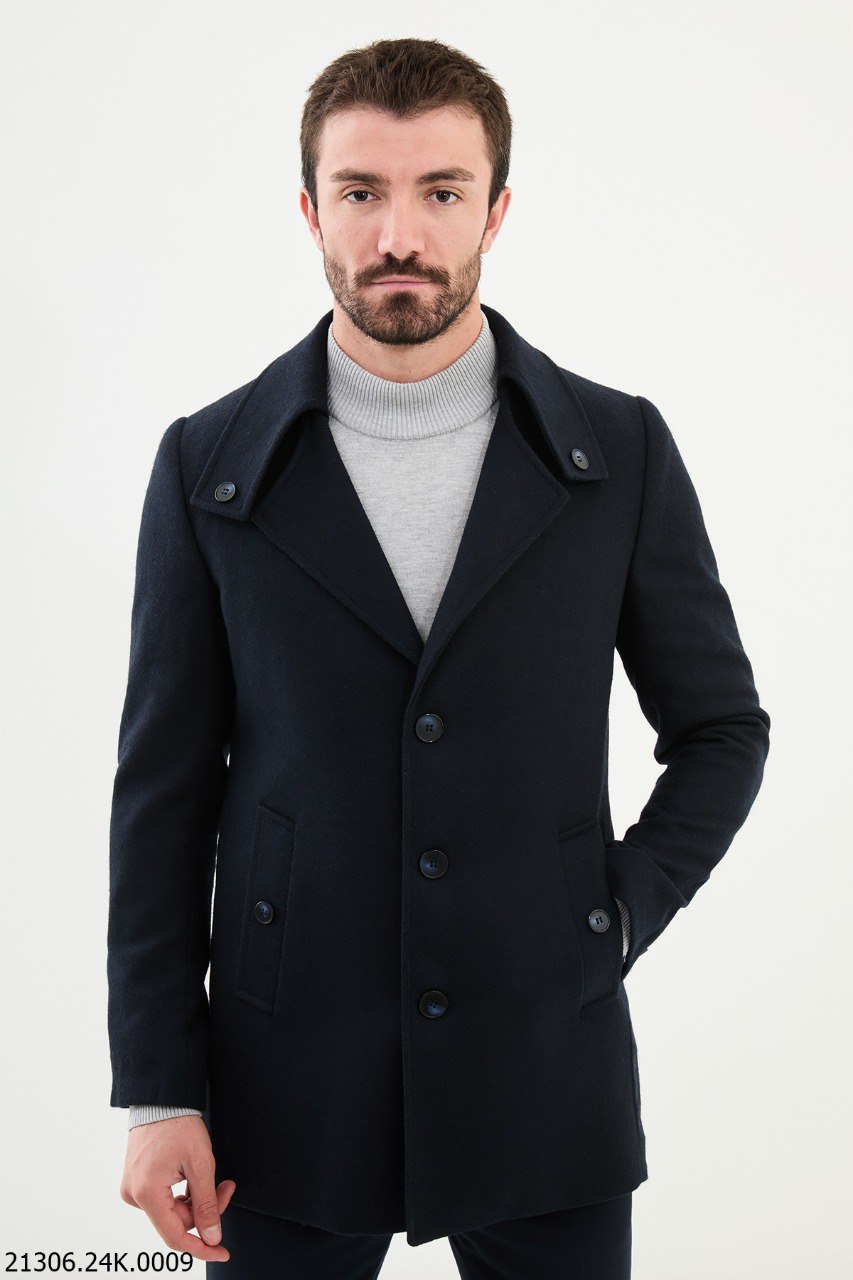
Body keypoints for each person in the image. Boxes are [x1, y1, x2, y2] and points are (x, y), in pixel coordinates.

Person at [108, 36, 770, 1278]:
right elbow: (163, 795)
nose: (398, 234)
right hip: (283, 1080)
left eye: (442, 191)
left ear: (496, 210)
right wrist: (157, 1087)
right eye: (360, 191)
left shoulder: (617, 452)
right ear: (310, 209)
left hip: (544, 1067)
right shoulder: (206, 465)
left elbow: (722, 729)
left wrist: (615, 911)